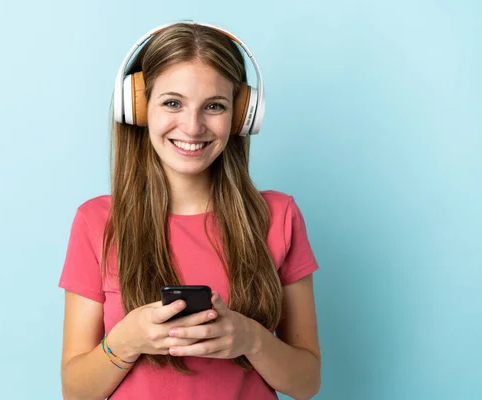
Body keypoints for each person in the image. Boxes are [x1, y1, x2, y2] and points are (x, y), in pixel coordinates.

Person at [58, 21, 321, 400]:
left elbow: (307, 382)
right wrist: (125, 342)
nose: (193, 126)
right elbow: (75, 392)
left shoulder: (278, 216)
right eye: (172, 103)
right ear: (138, 107)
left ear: (241, 115)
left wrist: (251, 339)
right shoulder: (96, 222)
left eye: (214, 106)